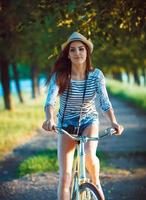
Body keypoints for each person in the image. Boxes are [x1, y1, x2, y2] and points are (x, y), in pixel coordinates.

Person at [42, 32, 124, 200]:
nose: (77, 53)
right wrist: (50, 118)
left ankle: (95, 183)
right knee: (65, 177)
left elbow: (104, 102)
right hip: (65, 124)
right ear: (68, 55)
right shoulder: (60, 76)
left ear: (87, 52)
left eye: (81, 49)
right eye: (73, 50)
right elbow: (50, 101)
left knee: (88, 154)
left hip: (88, 121)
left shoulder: (96, 75)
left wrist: (114, 122)